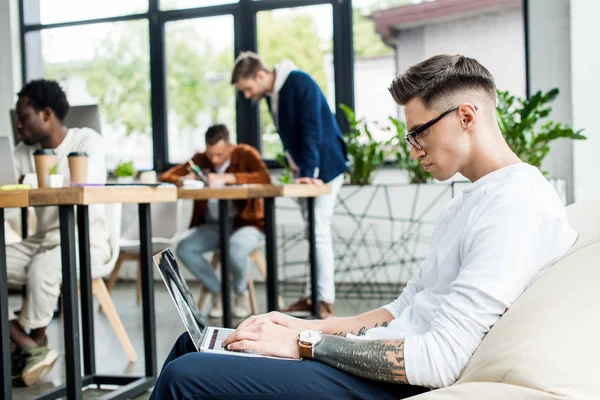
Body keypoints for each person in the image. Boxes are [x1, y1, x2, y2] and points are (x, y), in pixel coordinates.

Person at [149, 54, 577, 399]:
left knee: (186, 376)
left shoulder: (516, 203)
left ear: (466, 116)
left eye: (418, 133)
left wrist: (306, 345)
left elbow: (440, 361)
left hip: (391, 380)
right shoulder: (469, 201)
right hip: (371, 355)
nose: (414, 151)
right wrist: (297, 326)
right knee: (199, 344)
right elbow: (400, 309)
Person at [8, 79, 111, 386]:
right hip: (41, 240)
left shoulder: (86, 142)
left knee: (44, 268)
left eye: (24, 116)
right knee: (33, 260)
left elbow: (84, 189)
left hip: (86, 239)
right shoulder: (20, 153)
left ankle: (32, 346)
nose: (18, 124)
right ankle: (28, 345)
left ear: (46, 114)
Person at [231, 52, 349, 318]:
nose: (248, 96)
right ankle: (312, 296)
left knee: (319, 232)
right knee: (313, 233)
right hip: (309, 169)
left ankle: (324, 302)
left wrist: (309, 172)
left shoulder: (297, 82)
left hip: (324, 167)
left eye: (248, 89)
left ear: (260, 75)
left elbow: (311, 128)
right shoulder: (276, 92)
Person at [160, 124, 271, 319]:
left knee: (235, 249)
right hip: (213, 226)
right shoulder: (200, 159)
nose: (214, 159)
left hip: (246, 224)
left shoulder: (246, 154)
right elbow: (166, 176)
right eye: (211, 155)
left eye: (219, 154)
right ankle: (218, 291)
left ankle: (239, 293)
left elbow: (265, 178)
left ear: (230, 146)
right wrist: (187, 178)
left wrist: (229, 177)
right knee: (185, 247)